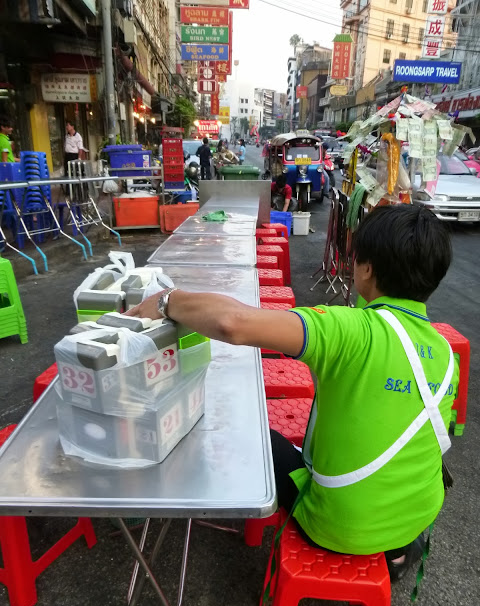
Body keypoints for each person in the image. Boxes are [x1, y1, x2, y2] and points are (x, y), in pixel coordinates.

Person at [126, 204, 457, 581]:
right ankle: (397, 551)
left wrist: (166, 301)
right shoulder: (446, 353)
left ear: (366, 269)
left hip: (338, 525)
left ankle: (166, 495)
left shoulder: (350, 329)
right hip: (418, 514)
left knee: (255, 435)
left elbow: (233, 323)